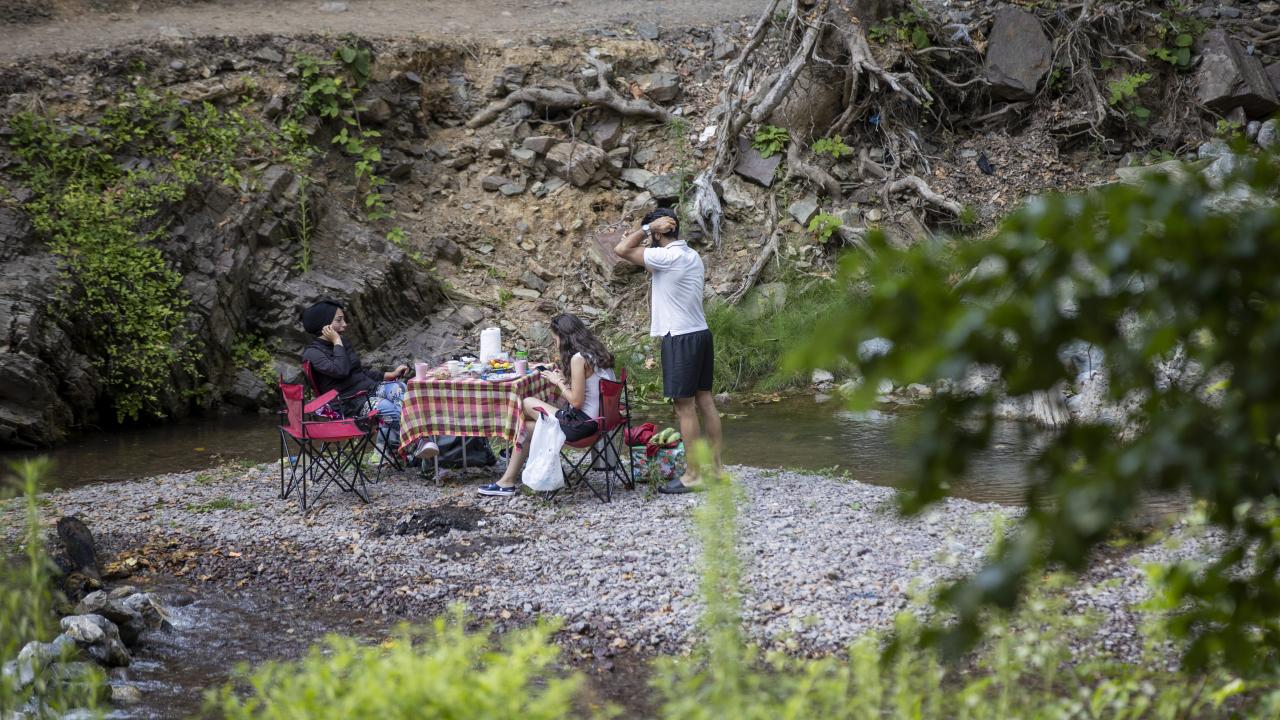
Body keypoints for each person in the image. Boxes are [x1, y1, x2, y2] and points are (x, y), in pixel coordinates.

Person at [613, 207, 722, 493]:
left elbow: (621, 249)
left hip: (680, 338)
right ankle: (718, 469)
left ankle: (694, 474)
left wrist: (647, 231)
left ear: (660, 231)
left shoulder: (666, 256)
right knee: (705, 401)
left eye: (653, 231)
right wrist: (648, 235)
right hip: (701, 334)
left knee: (684, 408)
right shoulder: (689, 255)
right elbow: (646, 260)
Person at [477, 313, 616, 497]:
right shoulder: (597, 352)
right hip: (601, 422)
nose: (555, 343)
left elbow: (576, 402)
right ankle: (507, 481)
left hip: (582, 426)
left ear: (564, 337)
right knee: (526, 428)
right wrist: (564, 380)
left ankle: (518, 469)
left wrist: (558, 381)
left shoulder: (578, 359)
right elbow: (588, 393)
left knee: (526, 403)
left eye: (555, 338)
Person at [299, 299, 437, 460]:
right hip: (347, 403)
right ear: (324, 325)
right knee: (385, 407)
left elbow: (358, 371)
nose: (345, 324)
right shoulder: (314, 353)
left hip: (366, 390)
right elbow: (341, 371)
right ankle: (418, 445)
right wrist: (336, 341)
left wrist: (389, 375)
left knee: (400, 388)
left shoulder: (343, 342)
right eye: (339, 320)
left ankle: (399, 446)